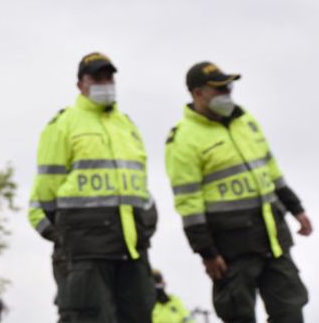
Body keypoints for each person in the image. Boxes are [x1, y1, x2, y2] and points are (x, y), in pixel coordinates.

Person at [165, 61, 310, 323]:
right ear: (198, 94)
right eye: (219, 89)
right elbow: (189, 204)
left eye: (228, 87)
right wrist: (206, 252)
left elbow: (272, 171)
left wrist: (296, 209)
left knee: (290, 310)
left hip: (272, 237)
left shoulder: (246, 122)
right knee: (238, 315)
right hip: (231, 248)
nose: (227, 94)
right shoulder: (183, 139)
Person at [28, 52, 157, 322]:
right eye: (96, 78)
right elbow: (47, 190)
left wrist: (147, 219)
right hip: (87, 246)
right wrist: (67, 233)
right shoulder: (63, 124)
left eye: (108, 77)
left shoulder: (126, 125)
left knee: (139, 314)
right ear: (80, 85)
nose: (104, 83)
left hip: (132, 245)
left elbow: (139, 181)